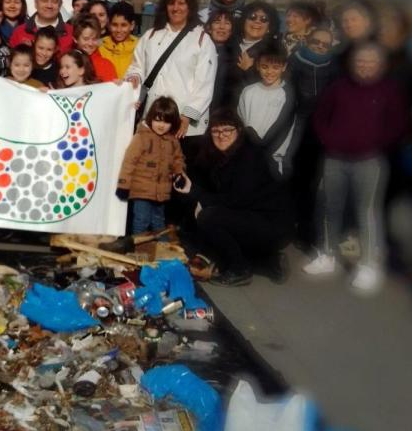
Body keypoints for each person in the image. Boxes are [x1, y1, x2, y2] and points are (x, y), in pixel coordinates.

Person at [304, 43, 408, 294]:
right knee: (329, 206)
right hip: (334, 158)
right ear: (352, 62)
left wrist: (374, 144)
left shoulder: (390, 90)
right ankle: (327, 255)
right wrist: (329, 140)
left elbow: (398, 125)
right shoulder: (339, 87)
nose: (365, 65)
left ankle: (369, 264)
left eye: (371, 61)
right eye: (360, 60)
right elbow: (320, 117)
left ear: (381, 64)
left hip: (369, 161)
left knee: (367, 212)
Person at [175, 110, 293, 286]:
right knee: (208, 224)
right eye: (216, 131)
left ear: (238, 130)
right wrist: (192, 189)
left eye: (227, 130)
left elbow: (237, 199)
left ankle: (240, 269)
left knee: (209, 218)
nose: (221, 135)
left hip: (273, 223)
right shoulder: (222, 155)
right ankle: (269, 262)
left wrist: (203, 201)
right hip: (252, 216)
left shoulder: (250, 156)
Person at [124, 0, 218, 140]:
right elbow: (137, 66)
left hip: (184, 125)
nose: (176, 8)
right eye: (171, 3)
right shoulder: (151, 35)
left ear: (190, 6)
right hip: (151, 120)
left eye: (181, 3)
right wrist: (134, 77)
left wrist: (188, 116)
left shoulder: (201, 40)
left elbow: (205, 85)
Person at [286, 26, 338, 251]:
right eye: (316, 41)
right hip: (293, 128)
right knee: (287, 178)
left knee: (311, 185)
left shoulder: (334, 68)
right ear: (307, 40)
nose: (319, 46)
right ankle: (285, 226)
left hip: (318, 134)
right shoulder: (293, 62)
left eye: (325, 44)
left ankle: (305, 231)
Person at [116, 96, 186, 234]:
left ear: (173, 123)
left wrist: (179, 173)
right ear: (150, 118)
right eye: (157, 120)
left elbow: (178, 159)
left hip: (162, 192)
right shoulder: (142, 137)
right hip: (141, 190)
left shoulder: (173, 141)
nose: (161, 125)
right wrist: (123, 185)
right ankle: (137, 249)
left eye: (166, 122)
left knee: (158, 221)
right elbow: (129, 162)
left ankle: (161, 248)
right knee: (141, 220)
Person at [238, 42, 295, 177]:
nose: (270, 72)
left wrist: (263, 150)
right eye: (265, 67)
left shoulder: (287, 94)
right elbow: (242, 123)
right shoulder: (248, 91)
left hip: (273, 158)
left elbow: (284, 128)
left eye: (276, 67)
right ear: (257, 66)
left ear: (284, 67)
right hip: (248, 155)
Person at [225, 0, 281, 109]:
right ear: (243, 21)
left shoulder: (274, 51)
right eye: (252, 17)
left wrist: (248, 70)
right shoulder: (228, 44)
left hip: (252, 110)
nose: (257, 22)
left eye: (264, 19)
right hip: (222, 110)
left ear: (269, 27)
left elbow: (273, 88)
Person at [9, 0, 74, 54]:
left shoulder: (71, 33)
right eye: (44, 0)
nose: (49, 5)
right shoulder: (20, 32)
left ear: (60, 4)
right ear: (36, 3)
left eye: (54, 1)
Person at [205, 8, 239, 112]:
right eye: (217, 22)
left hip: (221, 113)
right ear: (209, 28)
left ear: (231, 31)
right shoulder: (198, 51)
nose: (222, 27)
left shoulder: (237, 56)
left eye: (227, 23)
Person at [98, 1, 138, 78]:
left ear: (132, 25)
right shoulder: (100, 46)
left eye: (124, 25)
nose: (119, 30)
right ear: (109, 24)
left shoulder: (139, 48)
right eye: (114, 25)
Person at [73, 15, 116, 82]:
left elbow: (113, 90)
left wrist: (118, 84)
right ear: (75, 39)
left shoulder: (106, 65)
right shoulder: (67, 63)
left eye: (94, 39)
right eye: (86, 39)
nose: (90, 43)